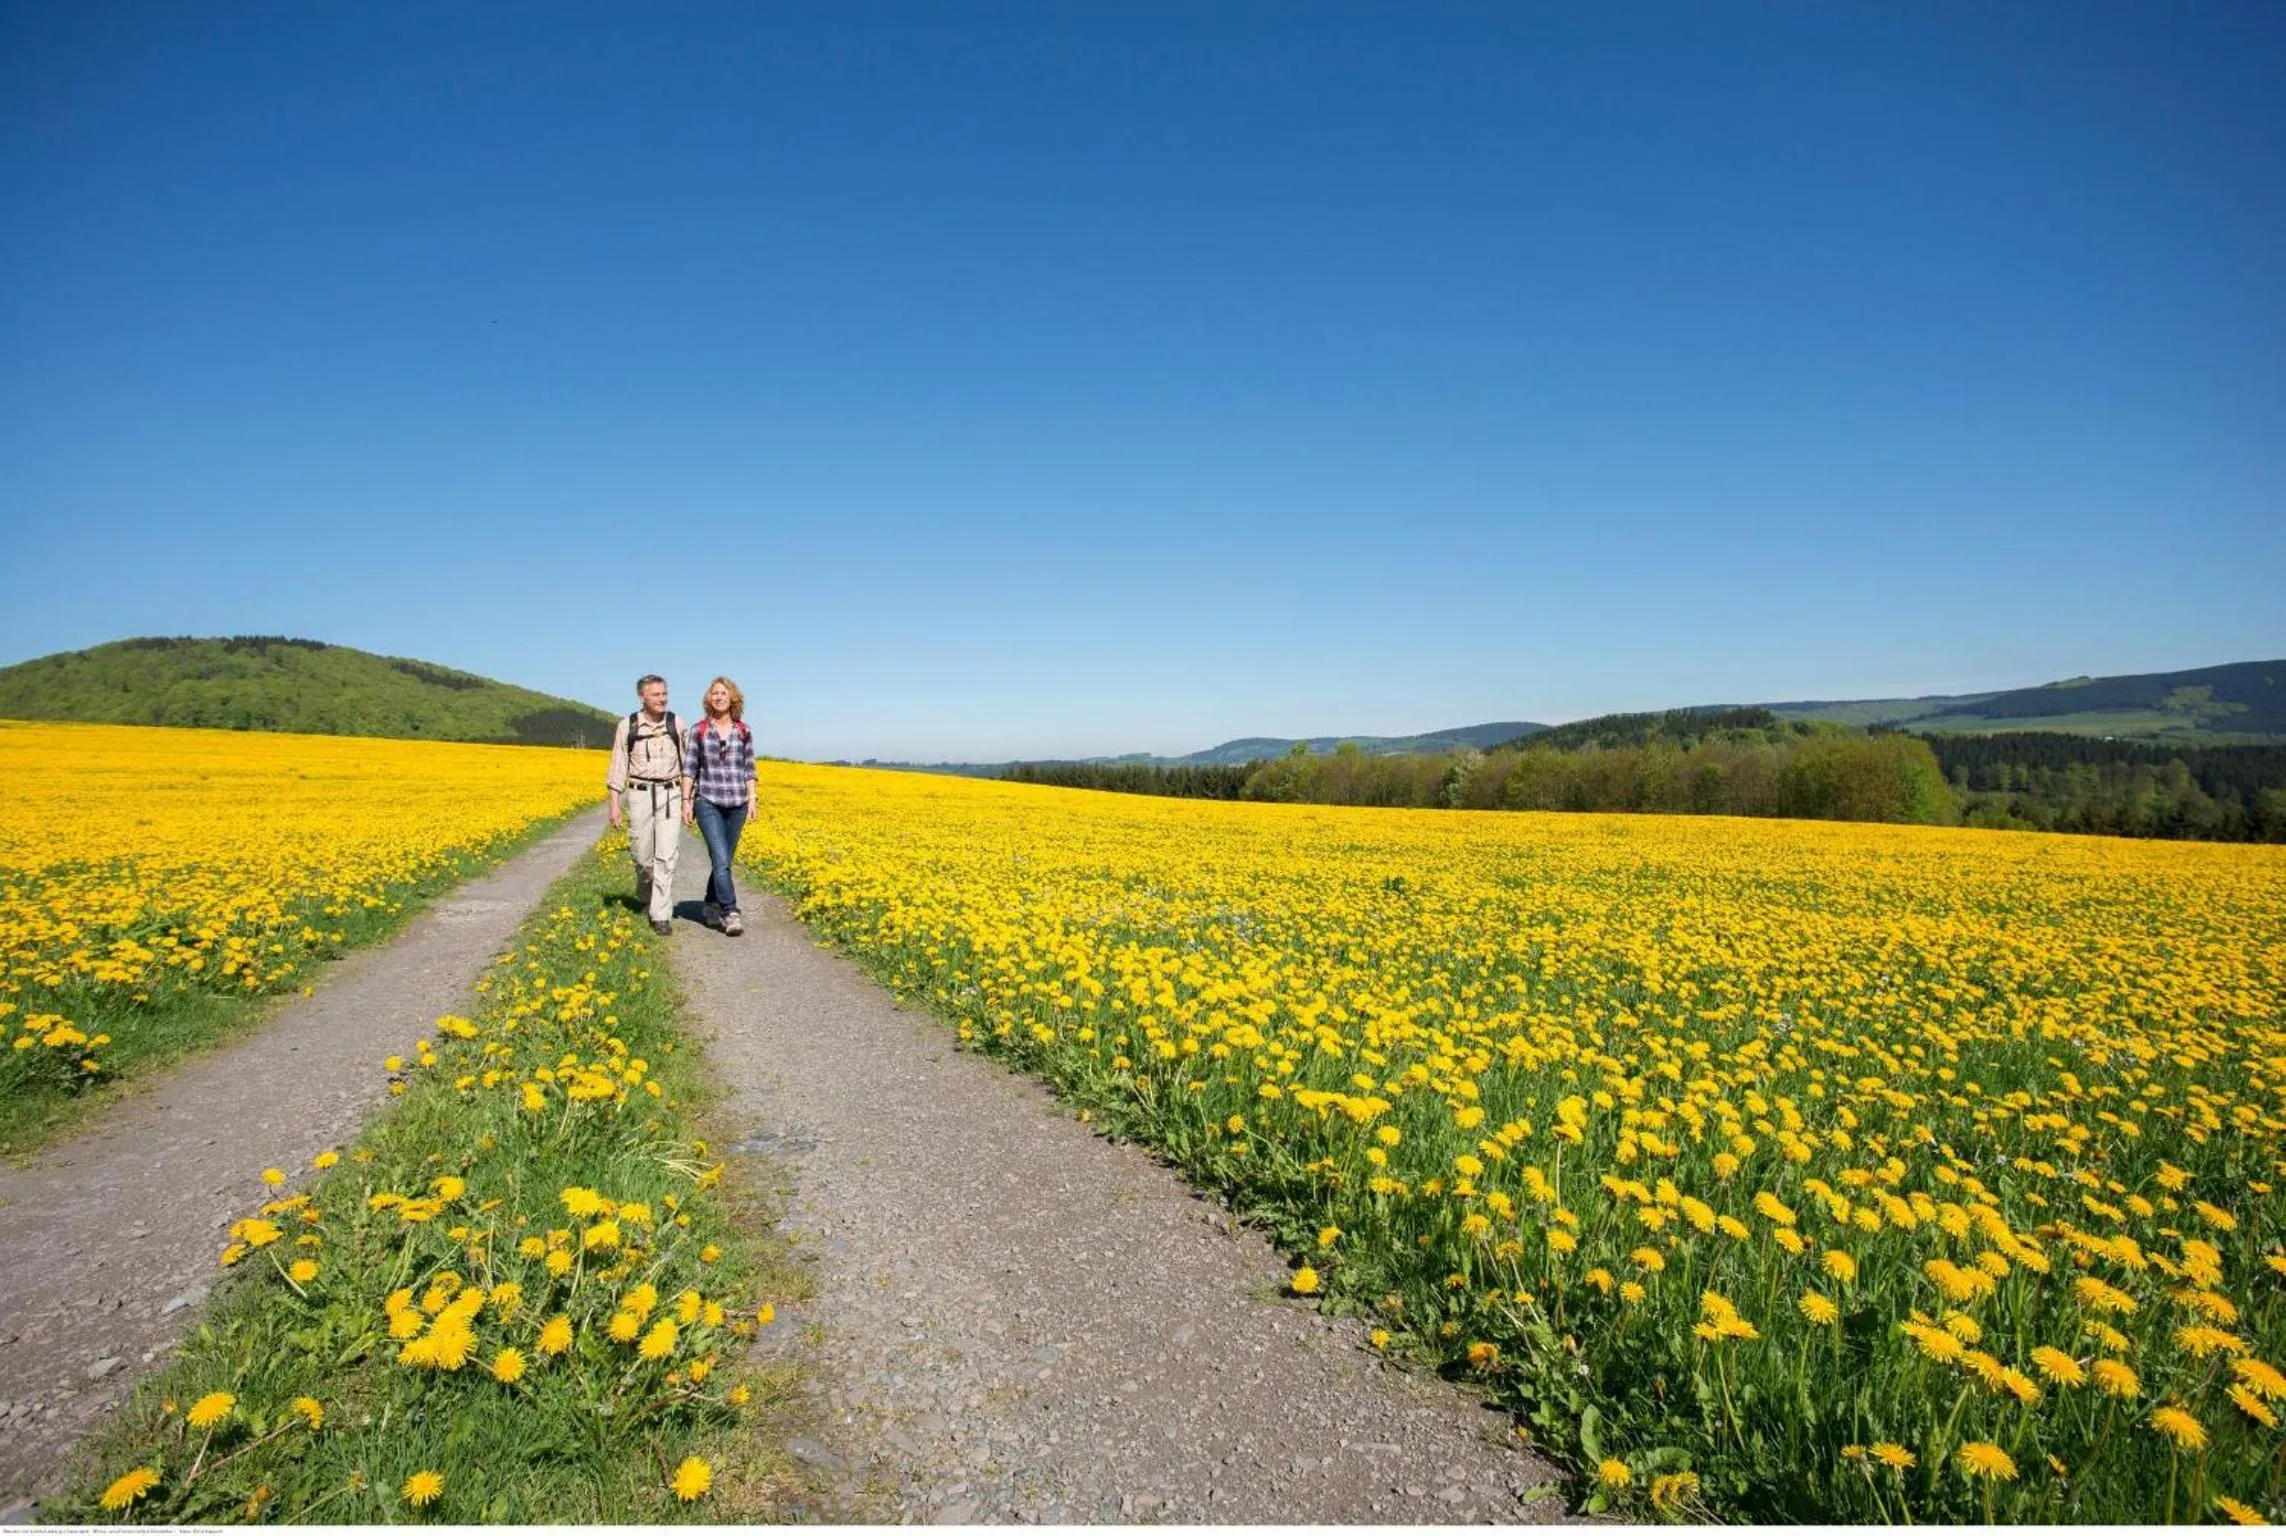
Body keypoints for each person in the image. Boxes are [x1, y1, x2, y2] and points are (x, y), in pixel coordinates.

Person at [606, 674, 689, 934]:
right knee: (641, 856)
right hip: (639, 794)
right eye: (656, 694)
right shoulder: (627, 726)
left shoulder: (677, 723)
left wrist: (689, 800)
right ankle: (646, 895)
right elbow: (618, 766)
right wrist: (614, 805)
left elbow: (689, 764)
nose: (662, 698)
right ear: (643, 696)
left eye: (665, 693)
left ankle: (661, 914)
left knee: (666, 855)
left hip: (670, 794)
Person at [682, 675, 758, 936]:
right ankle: (731, 912)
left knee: (723, 861)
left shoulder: (743, 731)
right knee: (721, 859)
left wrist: (752, 799)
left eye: (723, 693)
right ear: (708, 699)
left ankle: (710, 905)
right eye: (714, 693)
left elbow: (749, 769)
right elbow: (689, 768)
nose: (718, 697)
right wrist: (685, 801)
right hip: (708, 801)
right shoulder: (699, 730)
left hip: (737, 802)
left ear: (732, 698)